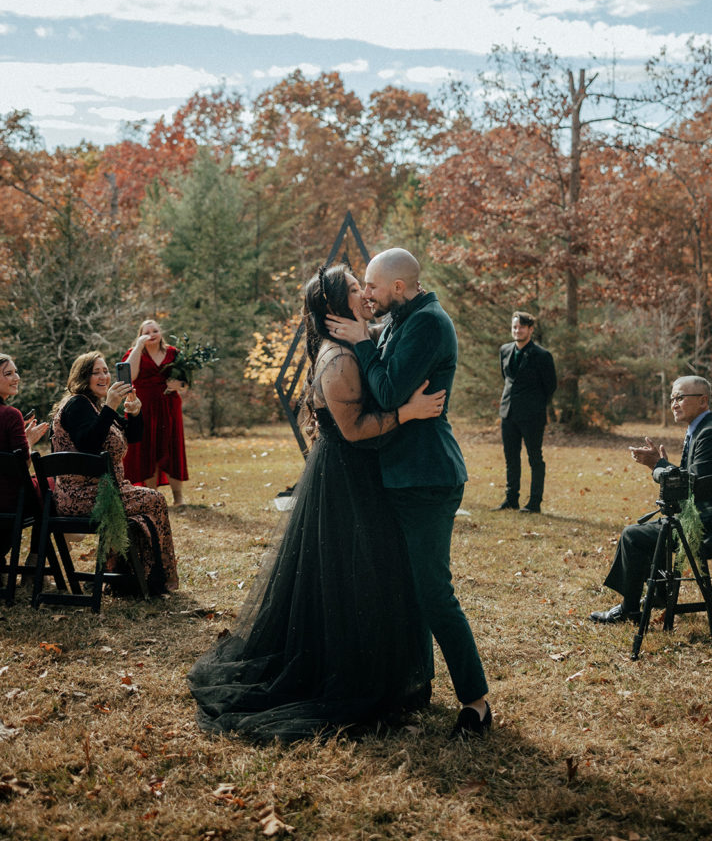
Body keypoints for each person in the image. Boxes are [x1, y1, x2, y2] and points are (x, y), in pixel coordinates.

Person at [188, 264, 444, 742]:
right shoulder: (339, 361)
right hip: (345, 481)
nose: (365, 295)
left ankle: (382, 672)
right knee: (351, 577)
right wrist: (406, 412)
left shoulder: (357, 342)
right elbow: (355, 429)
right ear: (334, 307)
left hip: (363, 476)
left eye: (366, 287)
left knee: (371, 573)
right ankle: (346, 676)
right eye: (354, 289)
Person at [327, 248, 491, 738]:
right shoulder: (404, 318)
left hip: (427, 477)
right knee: (412, 588)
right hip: (403, 474)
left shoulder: (429, 324)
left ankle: (477, 704)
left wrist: (360, 342)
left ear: (399, 287)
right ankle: (415, 684)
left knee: (435, 593)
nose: (368, 295)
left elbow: (389, 391)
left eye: (373, 287)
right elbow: (389, 374)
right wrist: (367, 336)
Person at [590, 375, 712, 624]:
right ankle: (655, 596)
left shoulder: (710, 435)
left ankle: (631, 609)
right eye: (671, 399)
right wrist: (664, 466)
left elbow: (688, 486)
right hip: (705, 519)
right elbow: (695, 482)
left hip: (711, 527)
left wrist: (658, 466)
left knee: (632, 535)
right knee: (645, 530)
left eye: (680, 397)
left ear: (703, 401)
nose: (674, 404)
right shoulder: (702, 429)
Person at [51, 351, 179, 593]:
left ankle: (124, 577)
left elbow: (133, 436)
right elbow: (88, 444)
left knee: (145, 501)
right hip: (84, 497)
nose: (104, 376)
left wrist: (135, 413)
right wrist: (110, 406)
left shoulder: (94, 406)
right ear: (82, 377)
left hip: (100, 492)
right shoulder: (78, 404)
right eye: (95, 372)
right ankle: (154, 580)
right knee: (155, 500)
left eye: (106, 371)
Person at [122, 319, 188, 506]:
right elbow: (130, 376)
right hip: (142, 406)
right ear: (140, 334)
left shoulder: (174, 353)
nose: (151, 335)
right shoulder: (134, 353)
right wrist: (138, 346)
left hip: (169, 405)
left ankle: (179, 498)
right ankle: (152, 498)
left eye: (155, 331)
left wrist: (179, 385)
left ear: (161, 332)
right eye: (146, 332)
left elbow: (185, 382)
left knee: (172, 447)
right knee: (146, 449)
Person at [497, 310, 557, 513]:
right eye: (515, 327)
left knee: (535, 458)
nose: (517, 330)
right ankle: (511, 499)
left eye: (521, 327)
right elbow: (506, 379)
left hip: (532, 416)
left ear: (530, 330)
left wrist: (534, 405)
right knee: (511, 458)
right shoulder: (504, 350)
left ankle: (534, 503)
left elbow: (550, 386)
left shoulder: (542, 355)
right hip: (508, 413)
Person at [0, 354, 49, 576]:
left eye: (15, 372)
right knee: (50, 490)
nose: (16, 378)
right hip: (8, 500)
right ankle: (33, 566)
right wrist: (28, 442)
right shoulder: (10, 415)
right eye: (8, 374)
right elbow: (21, 466)